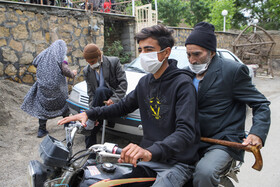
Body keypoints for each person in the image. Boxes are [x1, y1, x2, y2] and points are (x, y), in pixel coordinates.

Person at [58, 24, 200, 187]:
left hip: (177, 163)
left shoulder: (183, 85)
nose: (143, 55)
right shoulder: (145, 82)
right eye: (140, 50)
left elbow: (185, 132)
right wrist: (90, 113)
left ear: (166, 52)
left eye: (148, 50)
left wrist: (148, 151)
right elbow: (122, 106)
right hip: (150, 160)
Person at [183, 22, 271, 187]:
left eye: (197, 54)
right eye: (188, 55)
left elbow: (261, 104)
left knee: (205, 173)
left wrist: (257, 133)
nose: (192, 60)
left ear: (212, 52)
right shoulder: (185, 74)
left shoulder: (233, 71)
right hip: (192, 139)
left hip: (222, 141)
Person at [21, 40, 77, 138]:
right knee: (64, 103)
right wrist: (72, 74)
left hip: (44, 86)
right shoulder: (62, 57)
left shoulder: (44, 54)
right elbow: (65, 70)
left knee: (43, 105)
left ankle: (41, 130)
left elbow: (35, 62)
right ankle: (67, 124)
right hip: (58, 87)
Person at [82, 43, 127, 150]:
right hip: (99, 102)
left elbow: (123, 84)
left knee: (101, 90)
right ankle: (90, 154)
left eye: (92, 62)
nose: (91, 65)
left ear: (99, 56)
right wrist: (92, 110)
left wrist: (114, 99)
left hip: (111, 97)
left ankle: (91, 119)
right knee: (90, 128)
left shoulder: (113, 62)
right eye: (88, 63)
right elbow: (91, 94)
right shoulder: (86, 71)